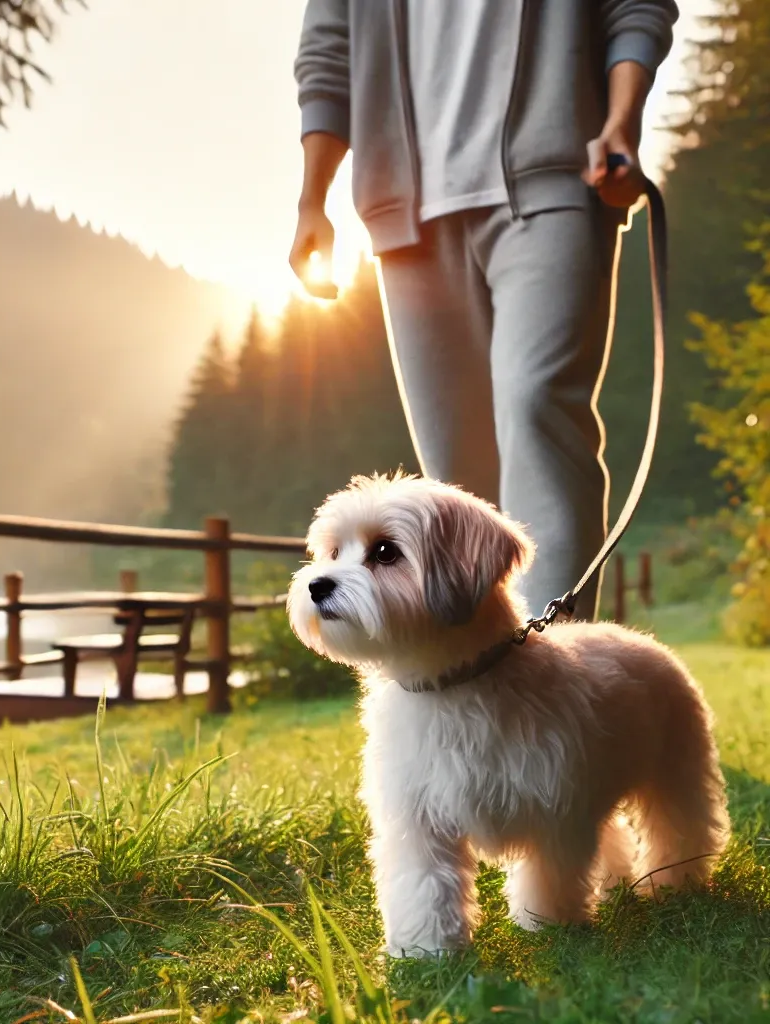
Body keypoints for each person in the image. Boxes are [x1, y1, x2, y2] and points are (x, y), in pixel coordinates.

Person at [289, 1, 678, 622]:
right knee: (454, 475)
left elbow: (634, 7)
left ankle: (556, 673)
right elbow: (328, 50)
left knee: (536, 406)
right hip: (404, 211)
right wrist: (313, 198)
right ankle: (471, 693)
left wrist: (622, 120)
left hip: (557, 178)